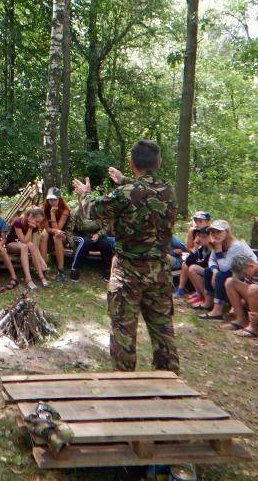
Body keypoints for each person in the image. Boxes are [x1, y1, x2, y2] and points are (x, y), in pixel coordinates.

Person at [73, 140, 180, 373]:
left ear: (132, 163)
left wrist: (85, 194)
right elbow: (147, 191)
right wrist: (125, 181)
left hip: (128, 273)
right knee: (163, 331)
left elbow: (93, 210)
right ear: (159, 163)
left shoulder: (125, 194)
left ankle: (123, 382)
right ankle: (170, 379)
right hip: (160, 273)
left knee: (124, 331)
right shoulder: (169, 190)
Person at [199, 220, 256, 321]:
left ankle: (218, 310)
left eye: (219, 232)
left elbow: (225, 267)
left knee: (221, 275)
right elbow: (211, 260)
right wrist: (214, 271)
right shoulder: (218, 243)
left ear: (227, 232)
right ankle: (209, 303)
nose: (215, 235)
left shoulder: (236, 246)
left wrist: (218, 251)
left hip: (245, 275)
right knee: (209, 271)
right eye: (213, 232)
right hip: (232, 271)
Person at [6, 206, 49, 290]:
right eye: (37, 221)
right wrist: (30, 229)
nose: (37, 224)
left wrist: (41, 260)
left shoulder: (34, 226)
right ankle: (28, 279)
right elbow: (23, 241)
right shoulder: (18, 222)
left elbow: (34, 246)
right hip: (11, 245)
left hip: (23, 246)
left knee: (31, 245)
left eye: (39, 222)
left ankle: (41, 276)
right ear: (30, 216)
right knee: (25, 246)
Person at [68, 202, 113, 282]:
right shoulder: (76, 212)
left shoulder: (101, 212)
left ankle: (107, 270)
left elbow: (106, 227)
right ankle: (75, 269)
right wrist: (73, 247)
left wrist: (98, 234)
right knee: (86, 242)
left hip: (95, 236)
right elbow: (69, 231)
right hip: (80, 235)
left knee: (106, 244)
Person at [40, 187, 70, 282]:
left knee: (57, 237)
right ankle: (43, 268)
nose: (52, 202)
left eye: (54, 199)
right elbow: (47, 228)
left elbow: (59, 229)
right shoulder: (44, 208)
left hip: (62, 237)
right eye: (50, 200)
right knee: (43, 235)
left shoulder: (65, 210)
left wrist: (52, 214)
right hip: (50, 234)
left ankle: (60, 270)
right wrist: (54, 230)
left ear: (59, 199)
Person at [179, 226, 211, 308]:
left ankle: (207, 299)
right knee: (187, 267)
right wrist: (195, 249)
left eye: (204, 237)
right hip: (206, 273)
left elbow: (204, 264)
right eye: (199, 236)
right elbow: (188, 262)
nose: (200, 239)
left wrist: (197, 257)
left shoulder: (212, 249)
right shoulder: (202, 248)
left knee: (193, 268)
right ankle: (200, 295)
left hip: (212, 274)